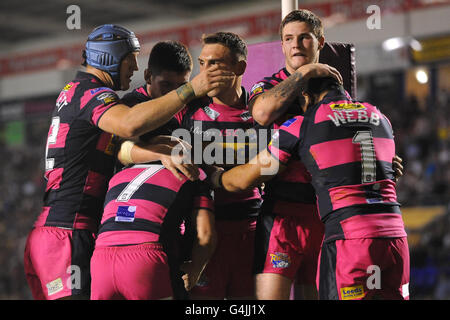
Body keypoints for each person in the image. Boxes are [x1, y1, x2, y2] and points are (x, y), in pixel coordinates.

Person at [23, 24, 234, 300]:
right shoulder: (93, 94)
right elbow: (130, 125)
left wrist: (162, 150)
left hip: (54, 232)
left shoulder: (73, 90)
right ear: (108, 58)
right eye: (130, 60)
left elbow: (123, 147)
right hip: (70, 232)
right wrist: (190, 89)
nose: (134, 69)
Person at [211, 76, 410, 300]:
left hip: (349, 237)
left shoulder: (303, 123)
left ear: (305, 97)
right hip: (396, 236)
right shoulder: (380, 116)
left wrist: (217, 178)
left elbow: (247, 179)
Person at [247, 9, 340, 300]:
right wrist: (305, 72)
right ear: (282, 45)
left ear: (320, 42)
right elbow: (262, 114)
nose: (296, 44)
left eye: (304, 38)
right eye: (288, 39)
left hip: (322, 214)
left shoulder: (334, 91)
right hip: (280, 214)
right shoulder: (266, 86)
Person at [90, 144, 216, 300]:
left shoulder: (121, 172)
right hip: (145, 258)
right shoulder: (193, 174)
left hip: (100, 259)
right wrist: (195, 270)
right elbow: (205, 235)